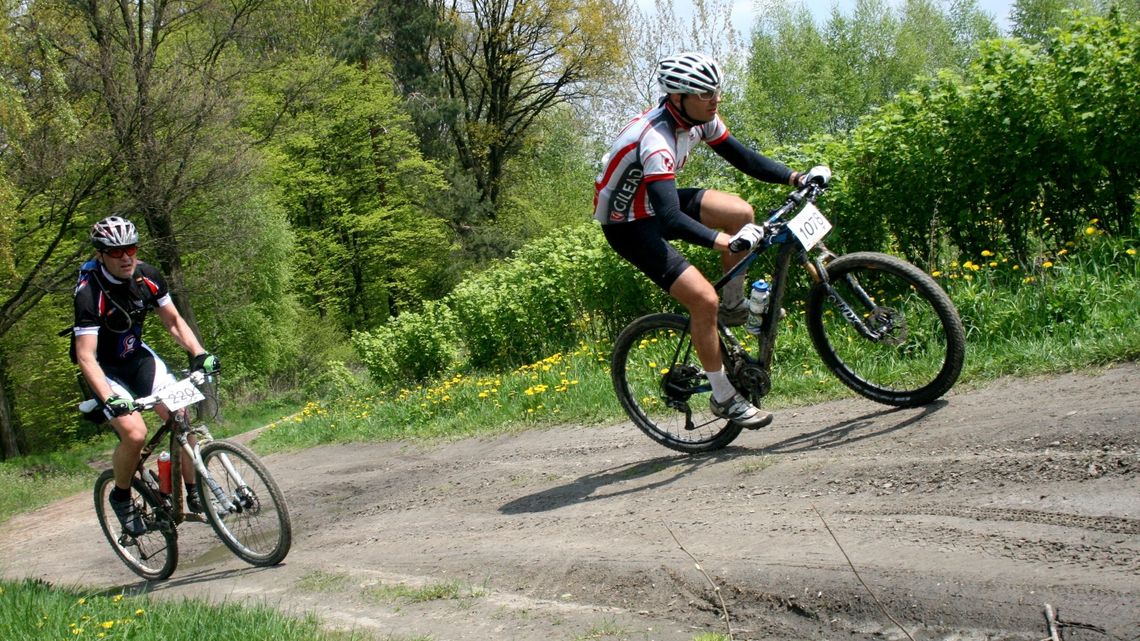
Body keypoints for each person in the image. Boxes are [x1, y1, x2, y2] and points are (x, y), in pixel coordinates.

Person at [594, 51, 816, 429]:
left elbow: (743, 157)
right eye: (705, 93)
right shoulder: (655, 140)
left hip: (653, 199)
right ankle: (723, 396)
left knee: (741, 213)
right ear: (678, 98)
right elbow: (670, 219)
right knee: (702, 298)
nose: (716, 99)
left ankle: (733, 309)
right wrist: (724, 243)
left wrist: (796, 177)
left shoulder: (700, 119)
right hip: (629, 224)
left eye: (716, 90)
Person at [73, 216, 219, 536]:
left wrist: (199, 353)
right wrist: (110, 398)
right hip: (103, 369)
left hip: (136, 357)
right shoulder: (89, 293)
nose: (126, 257)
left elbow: (174, 322)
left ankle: (195, 493)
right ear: (101, 254)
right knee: (135, 434)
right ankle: (121, 496)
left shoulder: (147, 276)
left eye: (131, 248)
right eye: (116, 252)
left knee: (180, 415)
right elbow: (85, 354)